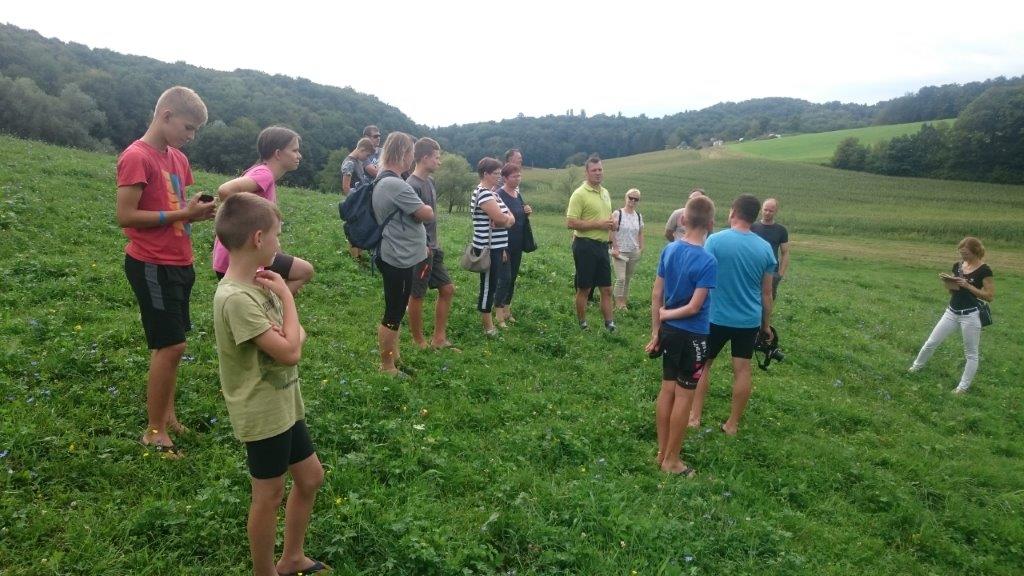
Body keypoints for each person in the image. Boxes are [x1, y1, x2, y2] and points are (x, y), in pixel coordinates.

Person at [212, 192, 327, 576]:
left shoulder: (259, 286)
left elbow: (297, 337)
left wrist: (289, 331)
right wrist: (287, 301)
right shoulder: (236, 299)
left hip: (285, 404)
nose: (280, 243)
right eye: (277, 234)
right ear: (258, 239)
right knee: (268, 496)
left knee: (310, 478)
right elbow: (292, 351)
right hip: (262, 413)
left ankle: (292, 558)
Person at [115, 86, 216, 458]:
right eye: (188, 128)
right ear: (167, 115)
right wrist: (183, 215)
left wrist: (197, 213)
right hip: (151, 263)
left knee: (172, 346)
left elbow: (177, 209)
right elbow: (126, 216)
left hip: (179, 262)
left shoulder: (177, 159)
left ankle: (168, 414)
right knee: (170, 345)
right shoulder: (136, 157)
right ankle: (154, 430)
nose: (191, 137)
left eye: (195, 131)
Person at [689, 194, 776, 435]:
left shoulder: (715, 241)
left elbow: (700, 278)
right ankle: (732, 424)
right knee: (742, 369)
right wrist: (765, 326)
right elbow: (766, 293)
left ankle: (694, 417)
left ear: (732, 212)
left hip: (714, 317)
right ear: (755, 216)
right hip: (748, 321)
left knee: (704, 365)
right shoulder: (765, 249)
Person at [645, 195, 717, 477]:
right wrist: (666, 316)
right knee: (684, 397)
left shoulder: (670, 250)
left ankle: (662, 452)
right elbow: (695, 307)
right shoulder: (708, 261)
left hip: (670, 335)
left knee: (666, 391)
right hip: (693, 336)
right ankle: (672, 461)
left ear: (683, 220)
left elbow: (655, 294)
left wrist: (656, 331)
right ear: (711, 224)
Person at [212, 126, 314, 295]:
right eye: (295, 150)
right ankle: (275, 309)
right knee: (303, 271)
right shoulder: (264, 174)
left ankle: (274, 308)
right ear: (278, 153)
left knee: (304, 270)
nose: (299, 155)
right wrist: (247, 226)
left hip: (251, 253)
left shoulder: (265, 176)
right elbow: (225, 190)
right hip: (241, 256)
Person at [372, 132, 434, 376]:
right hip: (396, 256)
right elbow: (426, 213)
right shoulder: (395, 184)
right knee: (394, 312)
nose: (412, 159)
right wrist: (425, 207)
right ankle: (386, 366)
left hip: (400, 254)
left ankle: (394, 357)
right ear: (404, 154)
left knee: (397, 308)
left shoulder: (384, 179)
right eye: (411, 153)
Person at [909, 237, 995, 394]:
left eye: (966, 254)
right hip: (951, 311)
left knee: (971, 353)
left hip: (970, 316)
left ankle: (962, 388)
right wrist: (949, 283)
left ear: (976, 252)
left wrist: (968, 286)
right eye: (961, 254)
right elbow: (954, 290)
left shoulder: (985, 270)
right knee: (931, 342)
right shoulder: (958, 266)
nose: (963, 258)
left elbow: (989, 296)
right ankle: (915, 368)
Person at [406, 138, 457, 350]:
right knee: (417, 295)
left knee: (447, 288)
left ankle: (439, 338)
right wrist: (424, 244)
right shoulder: (411, 185)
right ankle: (418, 341)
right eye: (437, 157)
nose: (440, 162)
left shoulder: (430, 182)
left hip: (434, 248)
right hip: (420, 250)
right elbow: (409, 222)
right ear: (425, 158)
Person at [566, 155, 616, 331]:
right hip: (585, 245)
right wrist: (598, 224)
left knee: (607, 289)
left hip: (602, 246)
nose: (598, 173)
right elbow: (570, 223)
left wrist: (611, 226)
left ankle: (609, 324)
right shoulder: (579, 194)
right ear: (586, 172)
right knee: (585, 288)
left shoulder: (605, 192)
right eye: (594, 170)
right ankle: (582, 323)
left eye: (600, 169)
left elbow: (606, 219)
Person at [471, 157, 515, 336]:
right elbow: (500, 218)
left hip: (497, 246)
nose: (499, 176)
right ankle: (488, 326)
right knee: (488, 285)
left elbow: (509, 217)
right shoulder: (484, 193)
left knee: (493, 283)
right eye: (495, 173)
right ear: (485, 174)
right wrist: (505, 219)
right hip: (488, 248)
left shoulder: (494, 193)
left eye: (499, 173)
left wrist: (506, 220)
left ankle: (488, 321)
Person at [494, 162, 533, 327]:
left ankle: (507, 310)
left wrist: (527, 211)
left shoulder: (517, 194)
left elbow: (520, 213)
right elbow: (497, 221)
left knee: (513, 278)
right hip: (504, 244)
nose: (518, 179)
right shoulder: (499, 195)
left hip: (518, 243)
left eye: (519, 175)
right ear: (505, 178)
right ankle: (498, 314)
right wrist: (501, 248)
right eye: (514, 176)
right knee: (504, 278)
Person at [340, 137, 377, 262]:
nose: (366, 158)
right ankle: (355, 258)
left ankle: (359, 255)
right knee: (354, 230)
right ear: (361, 149)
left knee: (361, 228)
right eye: (366, 155)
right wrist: (355, 201)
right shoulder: (349, 163)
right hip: (355, 203)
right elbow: (345, 187)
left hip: (361, 201)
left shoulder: (358, 162)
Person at [610, 188, 645, 310]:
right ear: (626, 198)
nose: (633, 201)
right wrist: (614, 247)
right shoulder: (617, 213)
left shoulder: (638, 216)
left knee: (628, 279)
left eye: (636, 199)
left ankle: (623, 302)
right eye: (631, 198)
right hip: (619, 251)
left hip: (633, 251)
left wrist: (641, 248)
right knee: (621, 278)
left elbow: (640, 232)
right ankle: (617, 303)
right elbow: (611, 231)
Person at [751, 197, 790, 300]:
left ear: (776, 211)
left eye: (771, 211)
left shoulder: (781, 230)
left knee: (768, 300)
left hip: (772, 271)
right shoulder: (752, 227)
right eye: (765, 210)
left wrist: (780, 274)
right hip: (753, 270)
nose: (767, 213)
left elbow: (785, 253)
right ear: (761, 210)